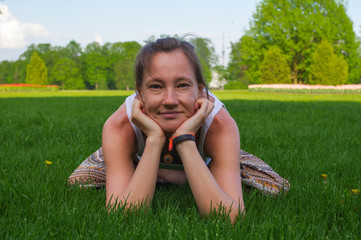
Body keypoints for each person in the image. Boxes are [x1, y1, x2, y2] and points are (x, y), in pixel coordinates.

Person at [68, 37, 290, 222]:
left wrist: (184, 138)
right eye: (156, 86)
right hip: (139, 156)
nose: (170, 100)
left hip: (201, 156)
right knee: (81, 180)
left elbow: (230, 216)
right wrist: (154, 138)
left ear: (200, 91)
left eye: (182, 85)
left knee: (273, 186)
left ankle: (178, 171)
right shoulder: (119, 126)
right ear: (139, 93)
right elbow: (123, 216)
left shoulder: (220, 125)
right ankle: (165, 171)